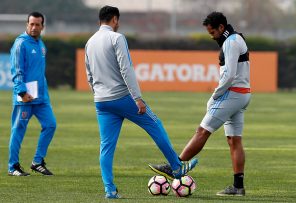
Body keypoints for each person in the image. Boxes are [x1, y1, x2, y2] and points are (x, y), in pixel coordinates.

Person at [85, 5, 198, 199]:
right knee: (155, 124)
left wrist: (98, 93)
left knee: (106, 146)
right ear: (114, 20)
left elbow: (89, 74)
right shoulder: (117, 38)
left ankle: (110, 190)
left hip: (101, 101)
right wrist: (137, 98)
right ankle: (177, 167)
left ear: (99, 21)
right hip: (122, 97)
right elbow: (126, 69)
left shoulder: (90, 42)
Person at [149, 11, 251, 196]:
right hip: (242, 95)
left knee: (202, 131)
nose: (211, 36)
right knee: (234, 140)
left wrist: (214, 96)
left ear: (221, 27)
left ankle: (175, 166)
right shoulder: (235, 39)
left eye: (212, 32)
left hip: (232, 94)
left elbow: (229, 76)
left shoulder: (231, 42)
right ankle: (238, 187)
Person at [8, 12, 56, 176]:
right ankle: (12, 166)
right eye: (31, 24)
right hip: (25, 97)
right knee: (19, 129)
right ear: (27, 25)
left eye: (37, 25)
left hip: (41, 98)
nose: (34, 27)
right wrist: (22, 91)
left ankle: (37, 161)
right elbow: (16, 70)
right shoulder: (21, 44)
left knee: (50, 125)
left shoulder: (41, 44)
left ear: (42, 26)